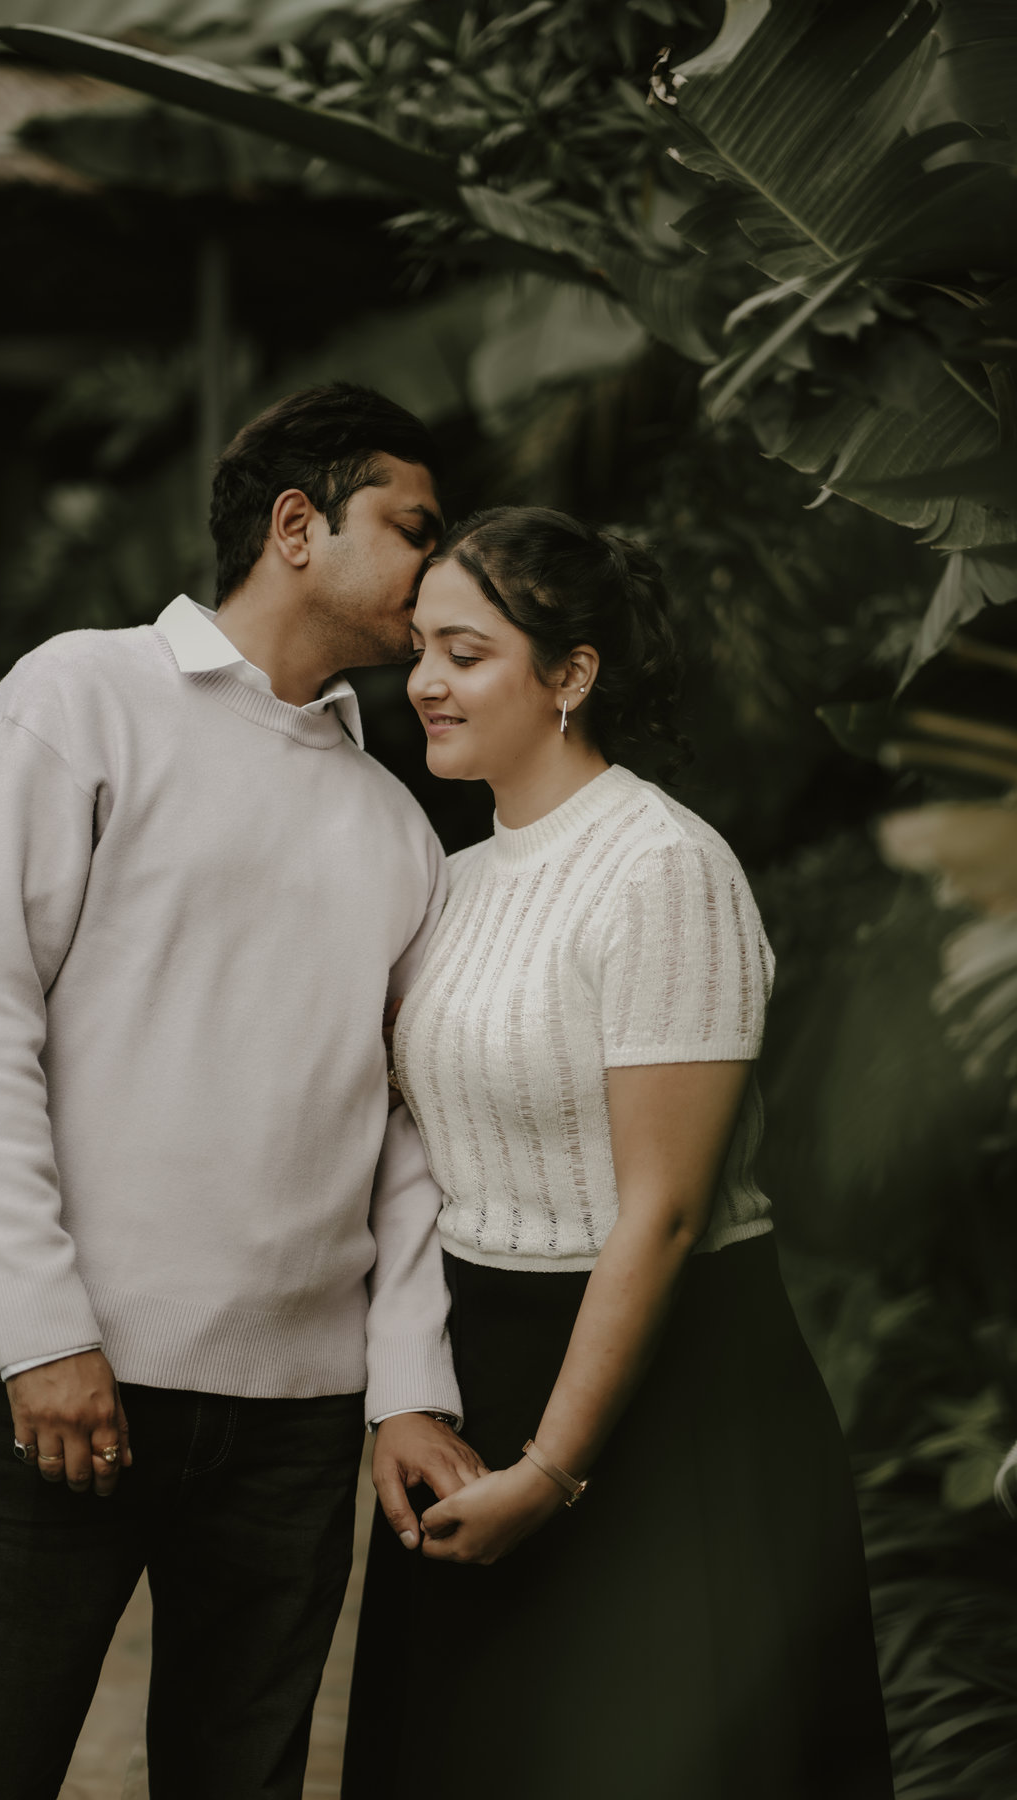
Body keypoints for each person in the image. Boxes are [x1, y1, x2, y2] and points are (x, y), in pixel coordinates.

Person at [0, 383, 488, 1800]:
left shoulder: (396, 824)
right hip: (60, 1387)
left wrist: (409, 1388)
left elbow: (409, 1133)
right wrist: (43, 1332)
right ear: (296, 525)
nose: (437, 571)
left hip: (295, 1426)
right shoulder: (78, 697)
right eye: (413, 529)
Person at [342, 507, 895, 1800]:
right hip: (482, 1372)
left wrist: (553, 1470)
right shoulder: (456, 882)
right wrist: (408, 1396)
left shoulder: (665, 870)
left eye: (466, 652)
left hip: (670, 1391)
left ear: (571, 674)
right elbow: (420, 1156)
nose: (424, 682)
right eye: (420, 650)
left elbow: (664, 1212)